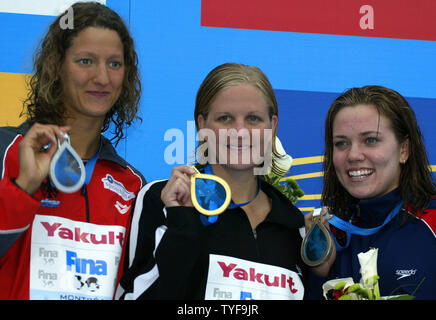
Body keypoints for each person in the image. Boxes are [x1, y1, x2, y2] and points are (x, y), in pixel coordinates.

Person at [118, 62, 315, 300]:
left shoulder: (294, 225)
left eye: (253, 118)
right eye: (225, 118)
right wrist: (183, 224)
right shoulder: (164, 200)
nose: (240, 131)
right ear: (202, 125)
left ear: (272, 126)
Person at [0, 2, 145, 300]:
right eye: (85, 61)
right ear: (55, 66)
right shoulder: (6, 151)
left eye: (114, 64)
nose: (102, 78)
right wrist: (23, 187)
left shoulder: (133, 185)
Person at [307, 85, 436, 299]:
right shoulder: (327, 235)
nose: (353, 155)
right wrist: (318, 273)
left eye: (371, 140)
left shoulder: (431, 223)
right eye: (341, 143)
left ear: (404, 149)